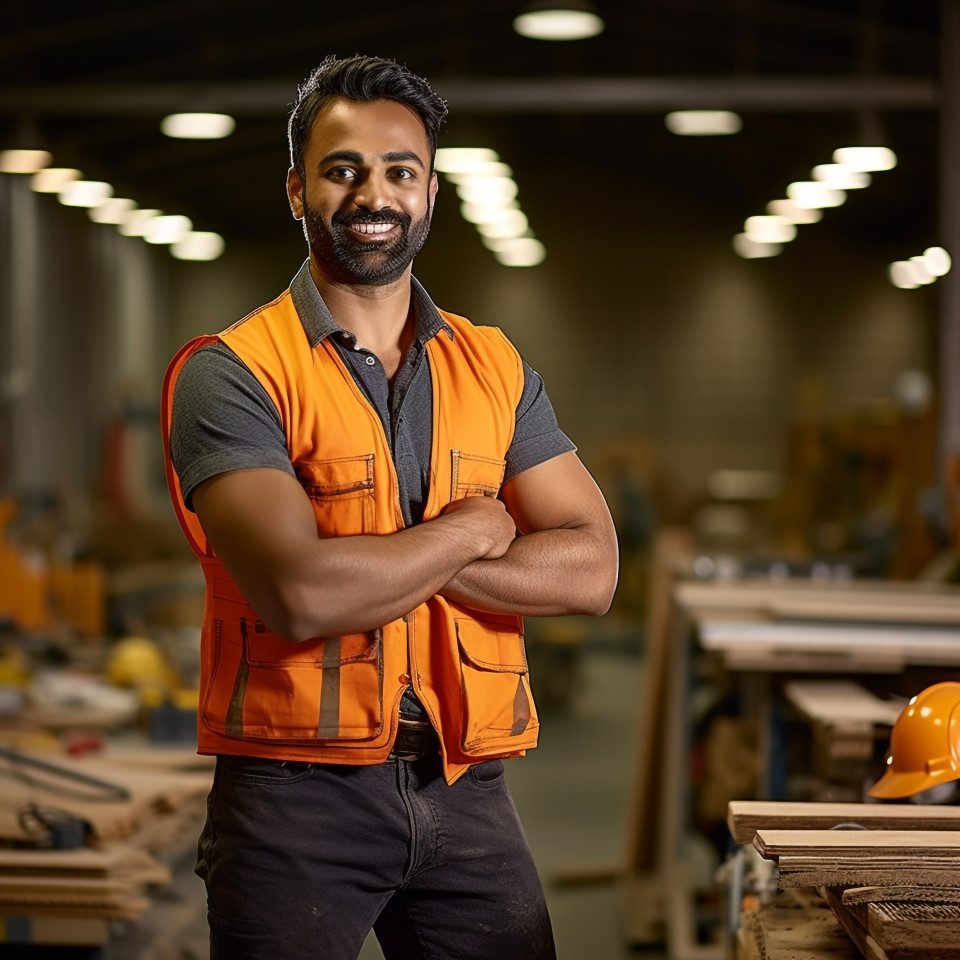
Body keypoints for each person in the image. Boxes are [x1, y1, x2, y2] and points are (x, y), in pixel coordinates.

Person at [161, 53, 618, 960]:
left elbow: (594, 567)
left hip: (465, 783)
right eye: (343, 170)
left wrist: (385, 565)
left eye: (400, 171)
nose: (374, 194)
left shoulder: (494, 366)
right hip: (293, 800)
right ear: (297, 189)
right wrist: (472, 527)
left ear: (432, 192)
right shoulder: (234, 373)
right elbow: (300, 594)